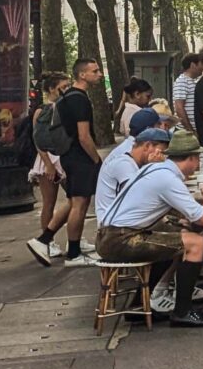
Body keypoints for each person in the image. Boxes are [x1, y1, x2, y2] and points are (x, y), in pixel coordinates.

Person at [96, 130, 203, 327]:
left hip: (109, 235)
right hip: (121, 239)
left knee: (177, 237)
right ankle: (182, 312)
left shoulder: (156, 169)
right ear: (192, 158)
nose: (197, 166)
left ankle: (139, 306)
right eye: (197, 160)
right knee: (195, 243)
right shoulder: (168, 179)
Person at [49, 58, 104, 266]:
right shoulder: (80, 99)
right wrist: (96, 159)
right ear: (82, 75)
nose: (99, 74)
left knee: (75, 201)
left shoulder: (66, 97)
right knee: (80, 204)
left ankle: (46, 239)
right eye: (95, 71)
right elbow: (84, 135)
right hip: (80, 156)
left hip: (68, 154)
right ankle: (73, 253)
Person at [25, 72, 71, 263]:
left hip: (64, 156)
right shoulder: (42, 111)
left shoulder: (66, 107)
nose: (67, 89)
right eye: (64, 86)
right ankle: (47, 240)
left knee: (76, 199)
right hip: (48, 159)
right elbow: (38, 140)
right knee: (49, 202)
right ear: (53, 88)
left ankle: (72, 237)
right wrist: (48, 164)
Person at [94, 127, 171, 224]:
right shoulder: (123, 164)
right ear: (147, 146)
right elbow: (140, 197)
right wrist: (154, 167)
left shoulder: (136, 164)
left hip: (126, 222)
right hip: (113, 227)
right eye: (161, 152)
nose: (162, 157)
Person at [172, 53, 202, 133]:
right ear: (193, 65)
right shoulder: (182, 81)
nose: (202, 67)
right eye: (200, 64)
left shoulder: (192, 81)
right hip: (184, 132)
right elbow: (179, 108)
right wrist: (190, 130)